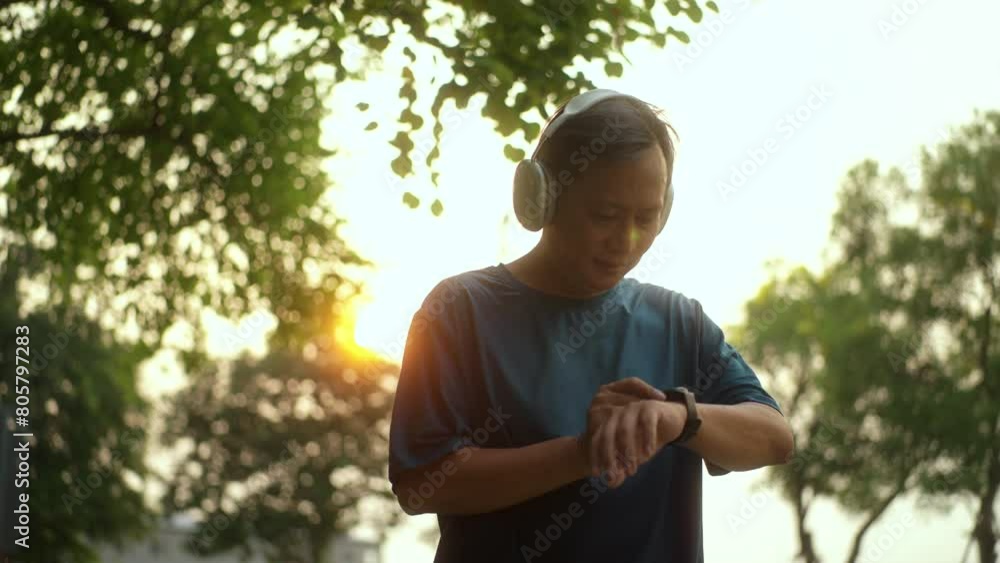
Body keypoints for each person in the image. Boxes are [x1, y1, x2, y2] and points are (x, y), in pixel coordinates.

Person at [387, 89, 794, 563]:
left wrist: (680, 417)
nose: (625, 241)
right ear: (542, 197)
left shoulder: (679, 321)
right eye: (605, 215)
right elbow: (420, 482)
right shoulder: (459, 310)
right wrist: (585, 452)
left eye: (646, 217)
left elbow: (775, 438)